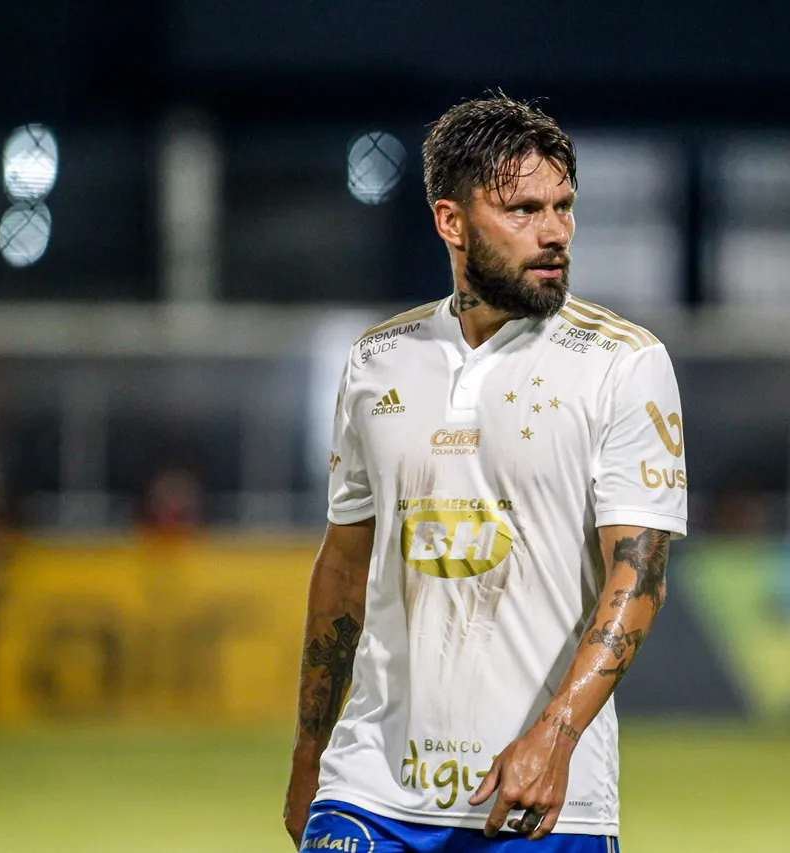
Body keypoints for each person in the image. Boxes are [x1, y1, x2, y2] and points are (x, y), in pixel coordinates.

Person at [284, 94, 688, 852]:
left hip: (536, 799)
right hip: (369, 790)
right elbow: (343, 567)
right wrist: (311, 756)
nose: (555, 232)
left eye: (564, 206)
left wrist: (556, 737)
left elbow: (639, 579)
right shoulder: (377, 360)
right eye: (524, 209)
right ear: (451, 222)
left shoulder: (624, 363)